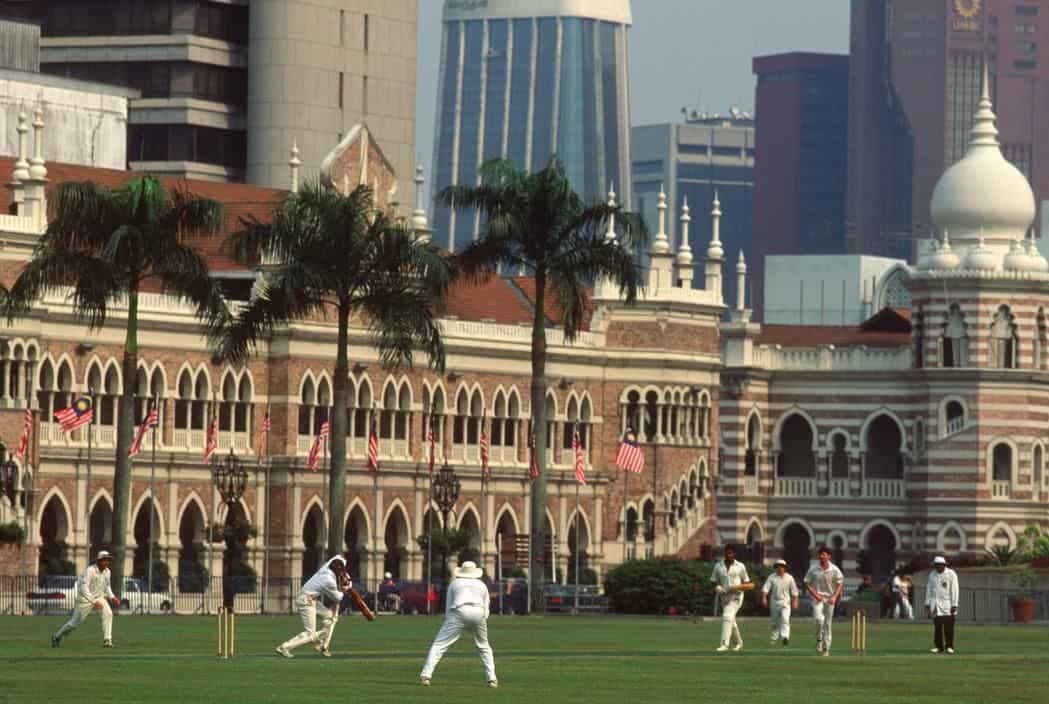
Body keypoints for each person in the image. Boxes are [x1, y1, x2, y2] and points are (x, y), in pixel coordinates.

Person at [419, 561, 497, 688]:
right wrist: (482, 618)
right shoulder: (482, 585)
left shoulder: (455, 584)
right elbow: (486, 606)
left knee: (439, 644)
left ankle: (425, 676)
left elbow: (449, 606)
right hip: (478, 612)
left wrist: (451, 621)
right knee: (484, 646)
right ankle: (492, 679)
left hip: (459, 611)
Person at [275, 555, 351, 658]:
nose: (341, 574)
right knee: (310, 634)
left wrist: (346, 575)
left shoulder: (326, 567)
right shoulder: (328, 581)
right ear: (336, 570)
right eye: (340, 571)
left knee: (330, 618)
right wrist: (348, 587)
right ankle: (284, 647)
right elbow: (338, 598)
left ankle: (321, 645)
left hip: (311, 599)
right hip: (306, 601)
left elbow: (338, 558)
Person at [51, 550, 121, 648]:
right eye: (104, 560)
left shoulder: (107, 572)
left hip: (99, 597)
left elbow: (107, 586)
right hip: (84, 599)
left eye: (108, 560)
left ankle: (107, 640)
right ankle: (57, 636)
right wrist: (93, 601)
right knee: (74, 623)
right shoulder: (90, 570)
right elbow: (84, 588)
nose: (106, 562)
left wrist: (112, 597)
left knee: (108, 614)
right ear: (99, 561)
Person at [710, 545, 753, 652]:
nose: (728, 555)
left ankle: (724, 644)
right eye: (727, 553)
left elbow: (749, 584)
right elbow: (713, 582)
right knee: (730, 620)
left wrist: (735, 587)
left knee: (727, 616)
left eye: (731, 553)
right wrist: (717, 588)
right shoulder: (718, 566)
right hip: (724, 597)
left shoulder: (740, 566)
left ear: (734, 554)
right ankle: (739, 643)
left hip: (737, 596)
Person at [804, 546, 844, 656]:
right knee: (818, 620)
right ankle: (819, 640)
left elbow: (840, 583)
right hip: (818, 599)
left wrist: (835, 597)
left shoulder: (834, 569)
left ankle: (826, 649)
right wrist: (816, 595)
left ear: (829, 556)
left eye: (824, 554)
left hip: (830, 599)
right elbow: (807, 583)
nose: (822, 556)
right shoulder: (813, 569)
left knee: (827, 624)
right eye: (820, 554)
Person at [925, 556, 959, 654]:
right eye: (936, 565)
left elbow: (955, 590)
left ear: (944, 565)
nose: (937, 567)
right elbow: (929, 589)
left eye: (939, 565)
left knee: (949, 627)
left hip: (948, 604)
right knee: (937, 627)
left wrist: (954, 604)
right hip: (935, 604)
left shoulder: (951, 574)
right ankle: (939, 647)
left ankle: (949, 646)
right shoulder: (932, 574)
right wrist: (927, 603)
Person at [762, 558, 799, 646]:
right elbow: (765, 588)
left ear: (785, 568)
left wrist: (795, 601)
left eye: (782, 567)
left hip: (785, 602)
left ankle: (785, 637)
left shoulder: (790, 578)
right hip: (774, 601)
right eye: (778, 566)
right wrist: (764, 598)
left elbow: (794, 591)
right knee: (774, 622)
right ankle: (773, 639)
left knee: (785, 619)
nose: (780, 568)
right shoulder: (771, 577)